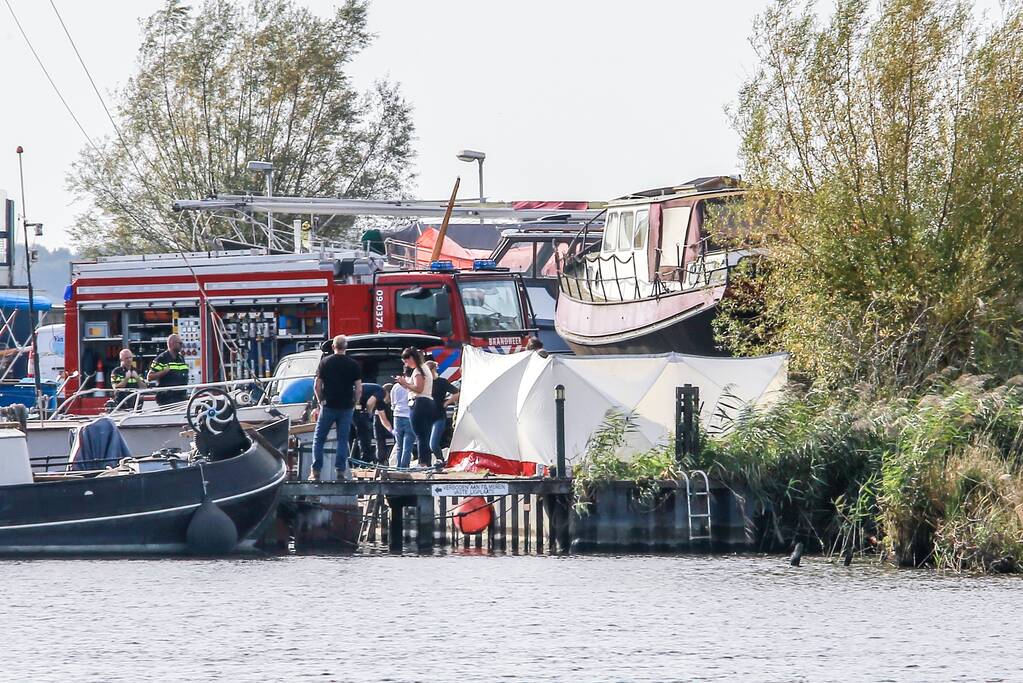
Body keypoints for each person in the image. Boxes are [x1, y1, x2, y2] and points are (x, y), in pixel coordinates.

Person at [311, 335, 362, 481]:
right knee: (342, 439)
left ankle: (316, 471)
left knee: (319, 439)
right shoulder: (353, 364)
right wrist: (355, 403)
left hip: (329, 405)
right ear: (346, 347)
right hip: (346, 406)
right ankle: (340, 471)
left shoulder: (325, 363)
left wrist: (321, 401)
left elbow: (317, 385)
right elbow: (358, 388)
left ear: (333, 347)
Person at [393, 347, 437, 467]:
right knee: (425, 434)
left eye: (406, 361)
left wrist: (405, 383)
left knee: (420, 434)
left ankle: (422, 462)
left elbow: (419, 388)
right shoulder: (425, 368)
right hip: (428, 402)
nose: (406, 365)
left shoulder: (418, 371)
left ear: (411, 358)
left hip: (419, 403)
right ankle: (426, 462)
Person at [426, 360, 460, 465]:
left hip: (439, 415)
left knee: (433, 443)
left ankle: (440, 460)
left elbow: (457, 393)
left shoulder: (442, 382)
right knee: (424, 443)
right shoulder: (424, 382)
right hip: (425, 416)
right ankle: (428, 463)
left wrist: (447, 403)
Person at [351, 382, 388, 465]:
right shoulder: (381, 391)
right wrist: (368, 413)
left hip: (353, 405)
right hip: (354, 404)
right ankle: (365, 460)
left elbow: (383, 418)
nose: (388, 402)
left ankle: (358, 461)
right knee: (364, 434)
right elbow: (370, 403)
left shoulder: (379, 400)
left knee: (359, 434)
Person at [147, 334, 190, 406]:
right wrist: (163, 372)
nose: (181, 345)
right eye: (180, 343)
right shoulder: (162, 358)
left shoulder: (181, 358)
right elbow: (149, 377)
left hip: (181, 397)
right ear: (172, 343)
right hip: (167, 399)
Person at [388, 378, 414, 469]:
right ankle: (404, 467)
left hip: (397, 416)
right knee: (408, 444)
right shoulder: (412, 385)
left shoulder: (395, 387)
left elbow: (393, 403)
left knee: (399, 444)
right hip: (409, 416)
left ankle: (399, 466)